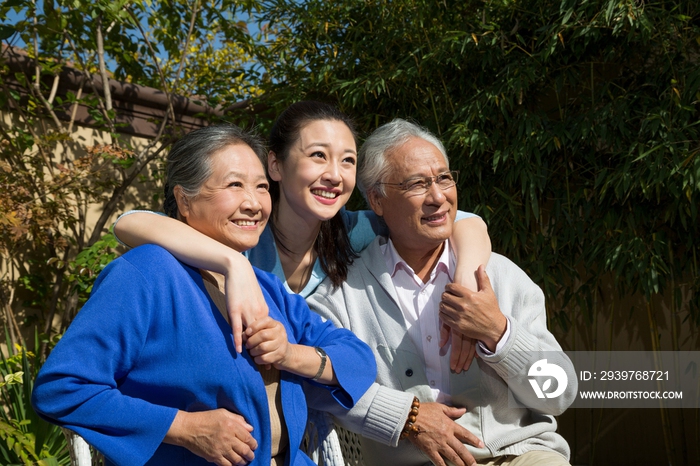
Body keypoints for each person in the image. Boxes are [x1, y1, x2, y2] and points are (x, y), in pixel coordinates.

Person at [31, 124, 376, 466]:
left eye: (260, 187)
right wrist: (184, 427)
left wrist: (288, 353)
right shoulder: (147, 273)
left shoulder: (264, 287)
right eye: (235, 185)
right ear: (184, 199)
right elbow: (63, 387)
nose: (254, 203)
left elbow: (358, 359)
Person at [112, 101, 492, 370]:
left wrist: (466, 283)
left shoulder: (353, 230)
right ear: (275, 164)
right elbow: (129, 222)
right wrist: (233, 265)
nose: (334, 174)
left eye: (347, 160)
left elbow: (464, 220)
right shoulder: (244, 229)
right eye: (318, 156)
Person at [305, 119, 578, 466]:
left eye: (444, 178)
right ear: (377, 199)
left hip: (518, 455)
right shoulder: (341, 297)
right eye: (417, 184)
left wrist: (498, 332)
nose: (438, 197)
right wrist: (407, 417)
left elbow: (558, 394)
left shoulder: (501, 276)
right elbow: (326, 388)